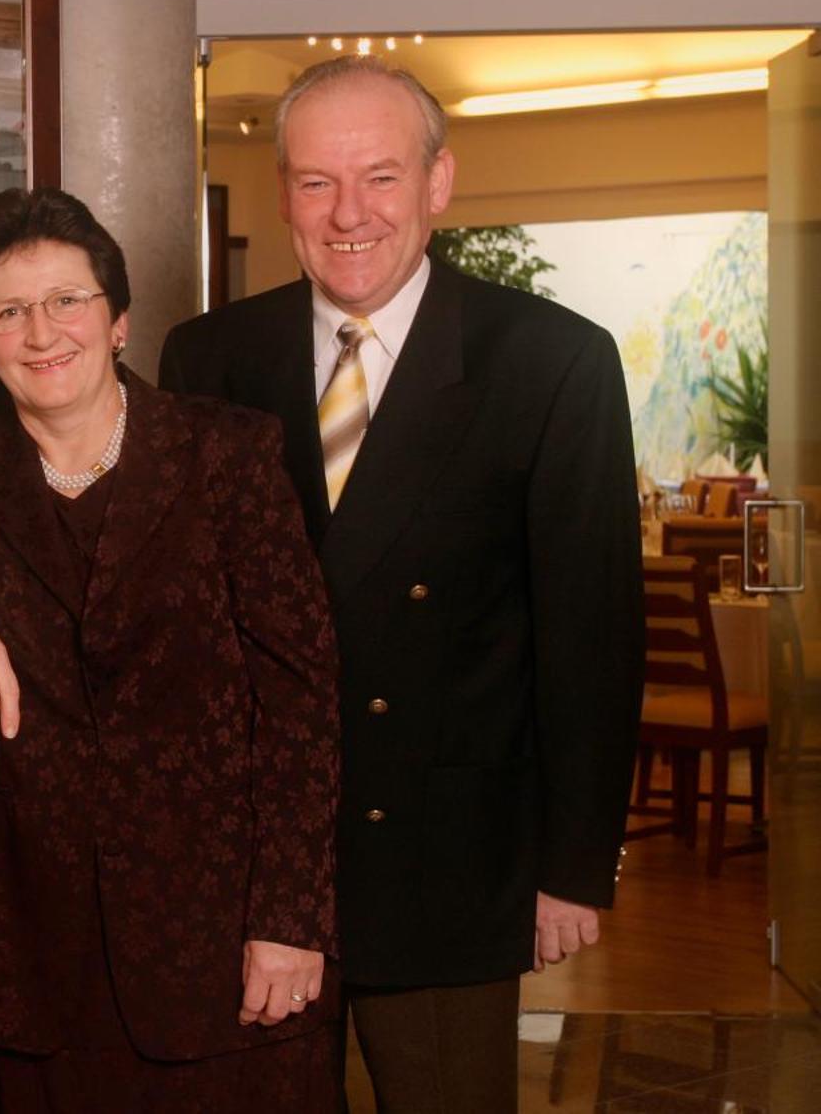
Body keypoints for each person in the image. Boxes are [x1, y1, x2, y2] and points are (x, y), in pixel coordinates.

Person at [0, 188, 342, 1109]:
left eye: (67, 302)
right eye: (9, 311)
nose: (42, 332)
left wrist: (290, 918)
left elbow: (303, 701)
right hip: (30, 956)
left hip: (220, 952)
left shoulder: (227, 456)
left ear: (118, 321)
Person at [159, 55, 644, 1111]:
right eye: (315, 181)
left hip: (448, 856)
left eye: (379, 177)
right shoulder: (207, 357)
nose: (346, 214)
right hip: (255, 865)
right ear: (281, 189)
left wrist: (572, 862)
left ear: (436, 184)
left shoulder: (548, 361)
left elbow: (591, 632)